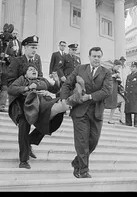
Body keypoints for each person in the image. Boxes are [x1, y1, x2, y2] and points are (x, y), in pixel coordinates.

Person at [8, 62, 77, 169]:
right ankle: (23, 160)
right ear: (25, 73)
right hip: (25, 106)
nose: (33, 71)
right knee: (23, 128)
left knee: (50, 120)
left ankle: (30, 140)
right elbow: (11, 89)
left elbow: (54, 89)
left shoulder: (42, 80)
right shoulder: (22, 79)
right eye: (30, 69)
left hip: (42, 105)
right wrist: (28, 88)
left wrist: (56, 80)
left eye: (34, 69)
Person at [60, 46, 113, 178]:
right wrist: (64, 100)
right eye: (94, 56)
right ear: (89, 57)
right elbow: (67, 84)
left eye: (99, 56)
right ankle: (83, 170)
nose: (96, 58)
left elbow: (107, 91)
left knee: (93, 142)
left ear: (101, 57)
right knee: (82, 141)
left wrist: (89, 96)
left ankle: (76, 162)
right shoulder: (80, 69)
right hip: (79, 111)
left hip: (96, 111)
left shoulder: (106, 72)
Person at [6, 35, 44, 160]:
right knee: (24, 125)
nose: (34, 50)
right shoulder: (17, 61)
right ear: (25, 47)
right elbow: (10, 82)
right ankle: (24, 159)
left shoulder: (37, 60)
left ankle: (28, 142)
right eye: (32, 47)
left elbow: (40, 78)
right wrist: (25, 89)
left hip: (34, 99)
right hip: (19, 100)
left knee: (48, 119)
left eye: (36, 48)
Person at [104, 59, 127, 124]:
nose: (118, 68)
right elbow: (104, 79)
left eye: (119, 67)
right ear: (114, 65)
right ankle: (99, 118)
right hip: (109, 90)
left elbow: (118, 82)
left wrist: (119, 79)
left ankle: (121, 119)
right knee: (104, 104)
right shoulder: (108, 70)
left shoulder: (117, 72)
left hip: (115, 91)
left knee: (122, 101)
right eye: (118, 66)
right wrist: (112, 76)